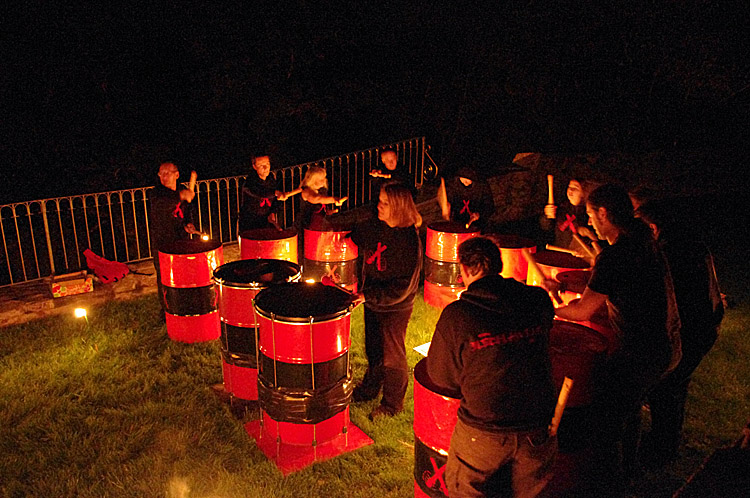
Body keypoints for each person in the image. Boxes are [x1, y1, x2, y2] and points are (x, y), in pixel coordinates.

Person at [553, 183, 681, 486]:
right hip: (666, 345)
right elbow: (612, 286)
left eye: (590, 215)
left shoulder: (616, 255)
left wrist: (549, 310)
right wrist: (566, 289)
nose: (589, 222)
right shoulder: (643, 241)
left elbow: (583, 311)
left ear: (603, 213)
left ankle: (608, 484)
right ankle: (630, 470)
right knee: (628, 408)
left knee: (605, 422)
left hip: (641, 352)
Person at [427, 236, 557, 498]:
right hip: (536, 427)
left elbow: (441, 377)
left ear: (466, 269)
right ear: (499, 265)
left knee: (466, 489)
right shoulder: (537, 299)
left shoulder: (458, 315)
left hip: (483, 429)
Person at [636, 200, 724, 467]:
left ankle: (661, 450)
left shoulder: (668, 251)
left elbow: (667, 295)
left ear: (652, 228)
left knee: (666, 387)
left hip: (693, 328)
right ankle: (665, 442)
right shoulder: (689, 241)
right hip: (707, 322)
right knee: (675, 385)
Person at [350, 182, 422, 419]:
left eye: (385, 203)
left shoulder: (408, 242)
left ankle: (392, 404)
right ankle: (369, 389)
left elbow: (401, 287)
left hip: (395, 306)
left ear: (398, 207)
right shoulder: (377, 225)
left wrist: (367, 295)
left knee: (392, 355)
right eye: (379, 201)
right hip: (372, 299)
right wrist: (339, 238)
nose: (378, 206)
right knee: (374, 349)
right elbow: (360, 235)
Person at [148, 162, 199, 318]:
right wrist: (181, 196)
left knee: (183, 273)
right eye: (161, 174)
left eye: (167, 173)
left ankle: (184, 305)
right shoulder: (156, 193)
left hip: (181, 239)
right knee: (165, 276)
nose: (164, 177)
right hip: (163, 242)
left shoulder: (181, 190)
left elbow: (187, 211)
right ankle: (167, 310)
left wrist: (189, 224)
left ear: (176, 175)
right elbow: (161, 204)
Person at [237, 155, 300, 233]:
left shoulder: (271, 179)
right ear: (254, 166)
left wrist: (272, 212)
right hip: (250, 221)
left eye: (267, 164)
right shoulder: (249, 182)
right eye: (261, 165)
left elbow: (274, 200)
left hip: (266, 219)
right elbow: (260, 193)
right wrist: (276, 193)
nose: (265, 168)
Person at [542, 178, 597, 249]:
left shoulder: (588, 213)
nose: (570, 190)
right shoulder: (562, 208)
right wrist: (547, 216)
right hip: (559, 250)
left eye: (575, 188)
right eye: (569, 187)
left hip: (580, 252)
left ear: (584, 193)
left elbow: (595, 237)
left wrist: (585, 232)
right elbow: (546, 227)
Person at [437, 167, 494, 231]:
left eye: (469, 179)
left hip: (478, 226)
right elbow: (446, 199)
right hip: (457, 223)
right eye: (464, 178)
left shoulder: (482, 186)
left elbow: (489, 206)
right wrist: (446, 206)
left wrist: (479, 214)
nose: (466, 181)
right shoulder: (453, 184)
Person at [298, 166, 347, 231]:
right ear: (313, 180)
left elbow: (322, 205)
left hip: (320, 224)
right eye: (321, 179)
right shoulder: (306, 191)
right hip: (307, 226)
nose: (324, 181)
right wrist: (334, 199)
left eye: (324, 177)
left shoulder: (321, 190)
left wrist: (329, 211)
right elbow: (317, 199)